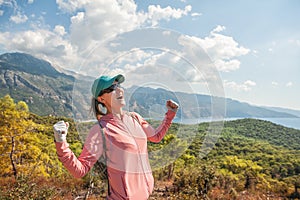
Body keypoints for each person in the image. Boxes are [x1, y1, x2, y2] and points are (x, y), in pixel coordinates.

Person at [53, 74, 179, 200]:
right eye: (112, 88)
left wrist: (170, 114)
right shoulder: (100, 130)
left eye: (118, 85)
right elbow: (80, 170)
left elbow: (156, 137)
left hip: (146, 195)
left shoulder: (135, 118)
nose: (119, 89)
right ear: (101, 99)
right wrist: (61, 142)